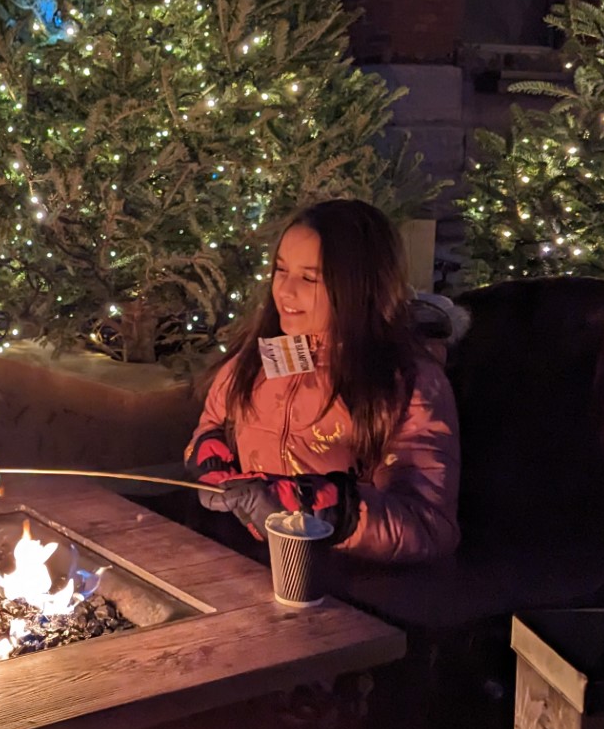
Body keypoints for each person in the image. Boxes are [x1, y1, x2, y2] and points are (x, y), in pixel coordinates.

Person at [186, 199, 460, 565]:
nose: (284, 291)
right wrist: (213, 469)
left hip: (338, 579)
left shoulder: (406, 384)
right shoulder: (258, 360)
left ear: (359, 286)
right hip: (244, 558)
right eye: (280, 270)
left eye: (308, 277)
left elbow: (426, 524)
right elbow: (213, 426)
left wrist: (309, 507)